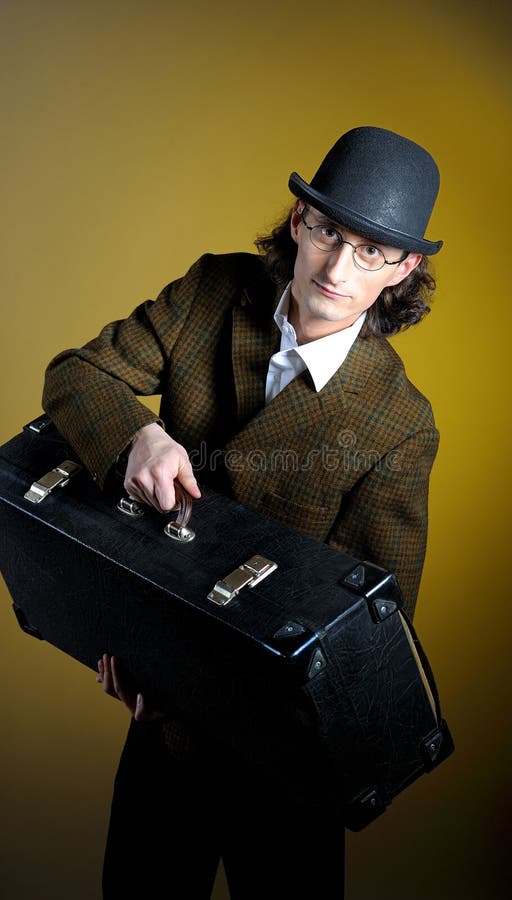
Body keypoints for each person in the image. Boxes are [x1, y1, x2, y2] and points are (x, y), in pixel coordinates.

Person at [42, 125, 444, 899]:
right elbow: (75, 374)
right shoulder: (211, 293)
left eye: (371, 252)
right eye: (328, 232)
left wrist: (208, 690)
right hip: (162, 729)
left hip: (288, 763)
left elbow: (366, 638)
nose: (336, 267)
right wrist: (140, 435)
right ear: (298, 221)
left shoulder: (400, 426)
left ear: (405, 269)